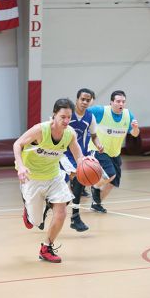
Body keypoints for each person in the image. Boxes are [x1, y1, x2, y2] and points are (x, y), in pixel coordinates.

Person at [13, 98, 87, 263]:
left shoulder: (69, 134)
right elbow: (17, 144)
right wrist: (21, 166)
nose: (66, 120)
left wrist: (85, 165)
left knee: (61, 212)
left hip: (54, 176)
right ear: (54, 115)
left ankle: (46, 247)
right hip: (32, 177)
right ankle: (28, 207)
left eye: (69, 117)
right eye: (63, 117)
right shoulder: (40, 130)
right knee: (35, 222)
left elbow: (79, 157)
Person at [59, 88, 104, 232]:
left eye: (88, 100)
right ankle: (75, 217)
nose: (85, 102)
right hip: (64, 154)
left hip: (80, 156)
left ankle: (74, 217)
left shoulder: (90, 117)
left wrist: (98, 145)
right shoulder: (68, 115)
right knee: (68, 187)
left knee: (73, 187)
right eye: (82, 99)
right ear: (77, 99)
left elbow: (94, 135)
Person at [88, 90, 140, 212]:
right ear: (111, 102)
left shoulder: (128, 115)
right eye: (117, 101)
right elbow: (82, 113)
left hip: (115, 153)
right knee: (110, 174)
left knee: (113, 182)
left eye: (123, 101)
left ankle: (96, 203)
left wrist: (135, 128)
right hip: (98, 149)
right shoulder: (101, 111)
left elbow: (135, 134)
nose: (120, 103)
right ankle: (95, 186)